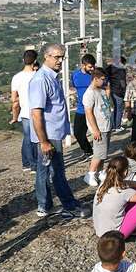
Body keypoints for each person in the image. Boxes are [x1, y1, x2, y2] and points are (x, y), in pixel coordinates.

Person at [29, 43, 89, 219]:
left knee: (45, 170)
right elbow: (36, 114)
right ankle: (68, 205)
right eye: (56, 57)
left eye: (62, 57)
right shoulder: (41, 80)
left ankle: (45, 205)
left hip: (51, 133)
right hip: (48, 135)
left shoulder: (51, 77)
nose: (60, 61)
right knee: (57, 171)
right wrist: (44, 141)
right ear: (46, 57)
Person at [92, 156, 136, 248]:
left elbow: (128, 183)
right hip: (115, 236)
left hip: (101, 230)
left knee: (134, 200)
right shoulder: (124, 192)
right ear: (125, 172)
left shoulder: (104, 184)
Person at [83, 68, 113, 187]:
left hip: (106, 125)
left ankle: (100, 172)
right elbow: (89, 112)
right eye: (102, 79)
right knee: (98, 153)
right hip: (99, 127)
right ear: (95, 79)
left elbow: (105, 103)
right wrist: (95, 129)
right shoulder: (89, 93)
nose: (104, 81)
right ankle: (90, 174)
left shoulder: (100, 90)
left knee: (103, 153)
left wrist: (108, 90)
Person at [10, 49, 38, 173]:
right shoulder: (38, 75)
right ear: (35, 61)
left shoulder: (16, 77)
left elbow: (14, 99)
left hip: (25, 112)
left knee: (27, 138)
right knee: (36, 138)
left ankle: (27, 164)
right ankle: (34, 165)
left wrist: (15, 116)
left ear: (23, 60)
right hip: (37, 111)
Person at [71, 54, 96, 158]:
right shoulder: (75, 75)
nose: (92, 68)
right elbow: (74, 87)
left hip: (93, 109)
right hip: (81, 108)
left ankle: (97, 152)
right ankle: (88, 151)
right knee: (77, 132)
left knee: (95, 131)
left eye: (93, 66)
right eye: (90, 66)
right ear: (83, 65)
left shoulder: (95, 75)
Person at [104, 56, 127, 133]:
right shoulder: (121, 70)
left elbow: (105, 77)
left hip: (112, 91)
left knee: (116, 108)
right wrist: (124, 92)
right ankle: (117, 127)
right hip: (119, 91)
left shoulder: (110, 68)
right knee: (119, 109)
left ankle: (113, 126)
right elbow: (122, 82)